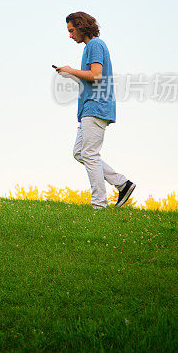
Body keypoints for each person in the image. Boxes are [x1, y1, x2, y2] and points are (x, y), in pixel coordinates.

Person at [55, 12, 135, 209]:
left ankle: (98, 205)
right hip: (89, 107)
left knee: (89, 154)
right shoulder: (90, 48)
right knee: (80, 153)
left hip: (96, 106)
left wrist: (71, 70)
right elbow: (90, 78)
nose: (70, 35)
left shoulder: (95, 45)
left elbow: (97, 75)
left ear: (81, 26)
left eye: (72, 31)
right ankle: (122, 184)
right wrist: (69, 73)